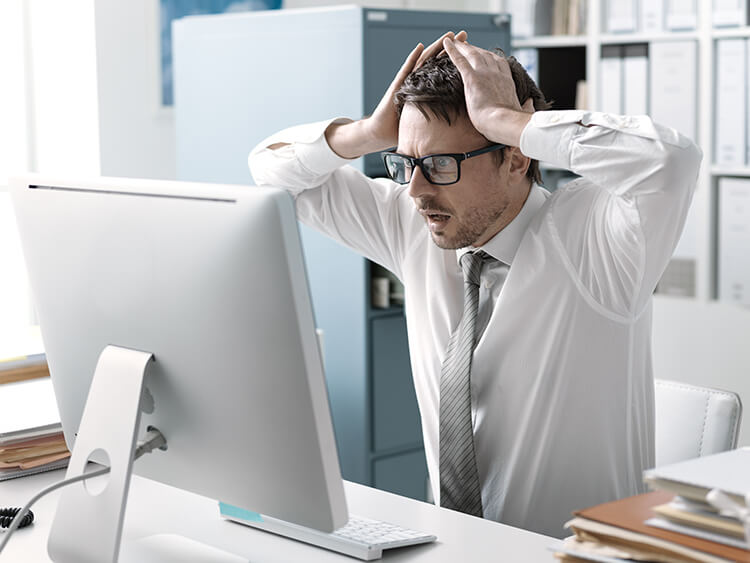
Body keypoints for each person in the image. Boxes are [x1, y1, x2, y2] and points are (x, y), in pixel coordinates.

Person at [248, 32, 702, 537]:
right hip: (452, 546)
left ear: (515, 157)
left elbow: (671, 160)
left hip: (577, 552)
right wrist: (369, 134)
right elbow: (271, 173)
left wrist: (510, 122)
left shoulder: (595, 238)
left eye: (441, 165)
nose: (416, 190)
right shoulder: (413, 223)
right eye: (405, 163)